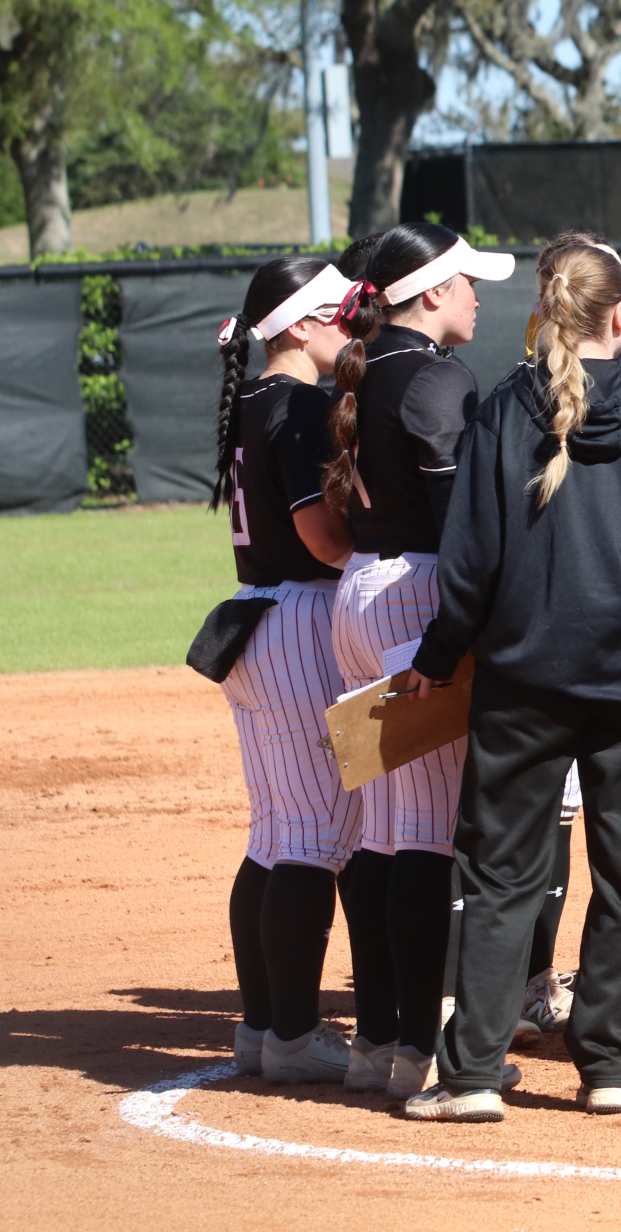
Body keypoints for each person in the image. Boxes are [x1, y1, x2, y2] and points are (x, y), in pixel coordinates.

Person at [399, 234, 621, 1121]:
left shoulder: (504, 410)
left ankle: (471, 1075)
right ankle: (608, 1065)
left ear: (549, 314)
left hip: (525, 681)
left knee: (501, 873)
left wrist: (436, 657)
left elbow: (468, 566)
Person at [324, 223, 514, 1099]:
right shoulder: (438, 376)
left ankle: (386, 1042)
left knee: (392, 835)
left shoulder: (371, 368)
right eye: (468, 282)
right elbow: (461, 513)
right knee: (432, 838)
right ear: (431, 291)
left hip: (363, 585)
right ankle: (426, 1046)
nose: (479, 296)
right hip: (417, 594)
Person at [509, 233, 621, 1046]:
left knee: (527, 841)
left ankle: (527, 1002)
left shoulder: (507, 404)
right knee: (609, 852)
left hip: (531, 665)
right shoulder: (532, 403)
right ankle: (566, 1003)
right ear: (613, 310)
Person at [209, 258, 361, 1084]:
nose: (352, 327)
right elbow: (325, 542)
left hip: (256, 620)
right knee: (316, 838)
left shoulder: (252, 401)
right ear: (299, 326)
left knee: (275, 834)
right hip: (302, 620)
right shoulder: (300, 403)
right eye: (339, 313)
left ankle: (263, 1026)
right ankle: (295, 1035)